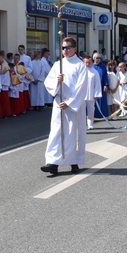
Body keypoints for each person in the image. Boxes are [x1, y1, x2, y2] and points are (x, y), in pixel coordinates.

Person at [41, 37, 89, 174]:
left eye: (68, 47)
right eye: (63, 48)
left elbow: (81, 87)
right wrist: (57, 81)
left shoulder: (80, 65)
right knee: (56, 132)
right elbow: (48, 82)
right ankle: (53, 163)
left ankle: (74, 162)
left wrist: (69, 102)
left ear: (74, 49)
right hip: (59, 103)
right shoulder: (58, 64)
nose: (65, 50)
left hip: (73, 104)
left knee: (73, 133)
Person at [83, 56, 102, 130]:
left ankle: (90, 124)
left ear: (92, 63)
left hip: (91, 93)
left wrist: (97, 94)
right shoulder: (81, 71)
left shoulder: (94, 72)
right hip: (81, 94)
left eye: (89, 62)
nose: (87, 64)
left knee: (91, 109)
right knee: (81, 110)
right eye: (86, 62)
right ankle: (81, 124)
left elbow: (97, 84)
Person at [91, 53, 109, 119]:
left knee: (102, 100)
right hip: (93, 86)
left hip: (101, 85)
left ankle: (103, 115)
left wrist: (106, 84)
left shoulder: (103, 66)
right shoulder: (91, 66)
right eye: (97, 58)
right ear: (94, 59)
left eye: (99, 58)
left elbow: (105, 76)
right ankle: (95, 115)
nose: (98, 59)